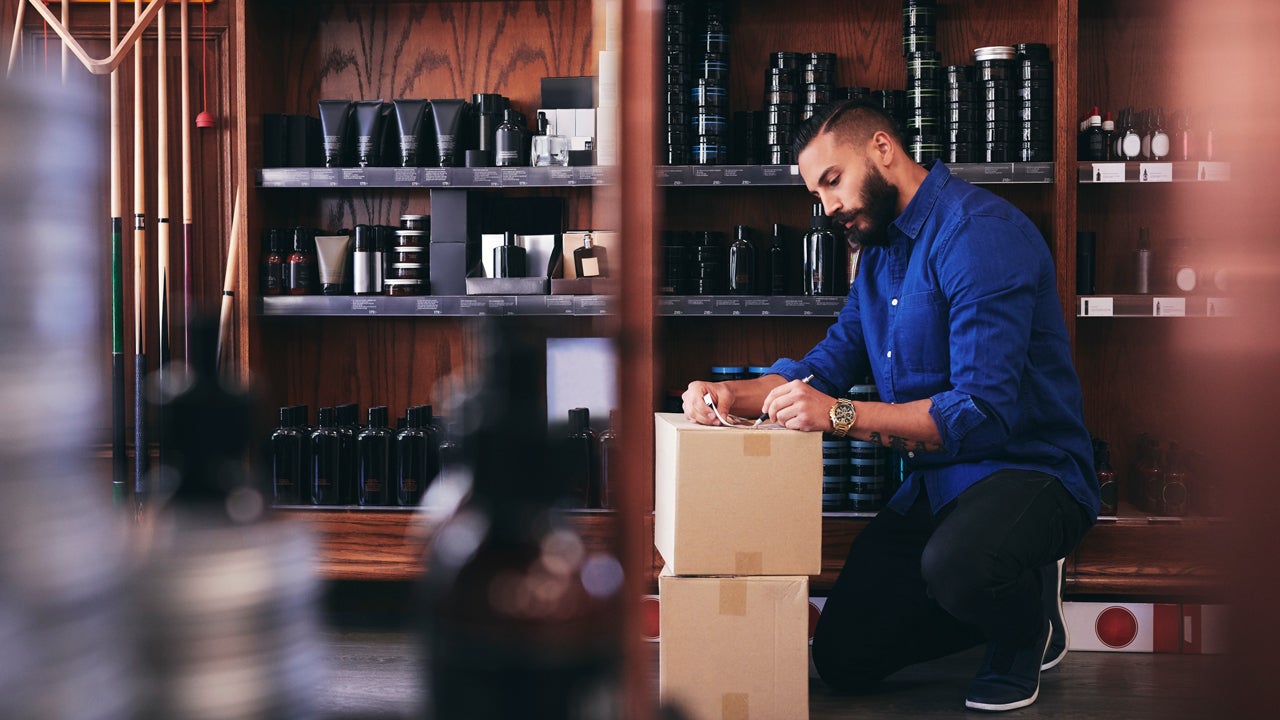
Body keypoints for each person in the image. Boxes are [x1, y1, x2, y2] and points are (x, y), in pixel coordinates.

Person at [681, 99, 1098, 712]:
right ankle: (1004, 583)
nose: (828, 209)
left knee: (958, 564)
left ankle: (1023, 628)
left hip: (1030, 471)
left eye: (832, 182)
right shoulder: (877, 254)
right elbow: (830, 360)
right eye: (817, 195)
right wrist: (729, 393)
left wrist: (838, 416)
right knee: (844, 660)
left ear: (882, 149)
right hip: (938, 485)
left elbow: (979, 412)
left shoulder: (980, 236)